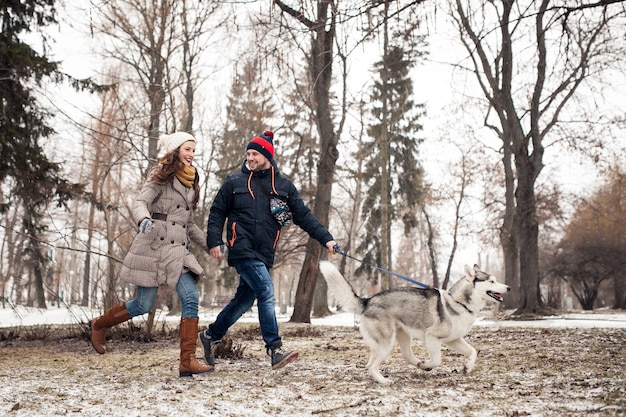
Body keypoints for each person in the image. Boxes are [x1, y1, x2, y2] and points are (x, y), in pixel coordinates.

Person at [200, 130, 338, 370]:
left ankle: (210, 335)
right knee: (265, 290)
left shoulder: (283, 186)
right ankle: (274, 348)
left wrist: (326, 239)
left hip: (265, 252)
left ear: (266, 155)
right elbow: (217, 212)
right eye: (248, 153)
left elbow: (304, 217)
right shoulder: (234, 183)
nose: (250, 158)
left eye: (255, 153)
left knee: (243, 301)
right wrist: (215, 241)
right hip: (241, 247)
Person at [90, 131, 213, 378]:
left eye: (194, 150)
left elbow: (189, 225)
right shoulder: (160, 177)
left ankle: (187, 360)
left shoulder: (192, 183)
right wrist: (143, 219)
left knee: (190, 298)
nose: (191, 154)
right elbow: (140, 202)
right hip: (154, 246)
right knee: (143, 304)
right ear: (176, 150)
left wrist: (212, 245)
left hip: (178, 251)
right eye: (187, 149)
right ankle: (100, 324)